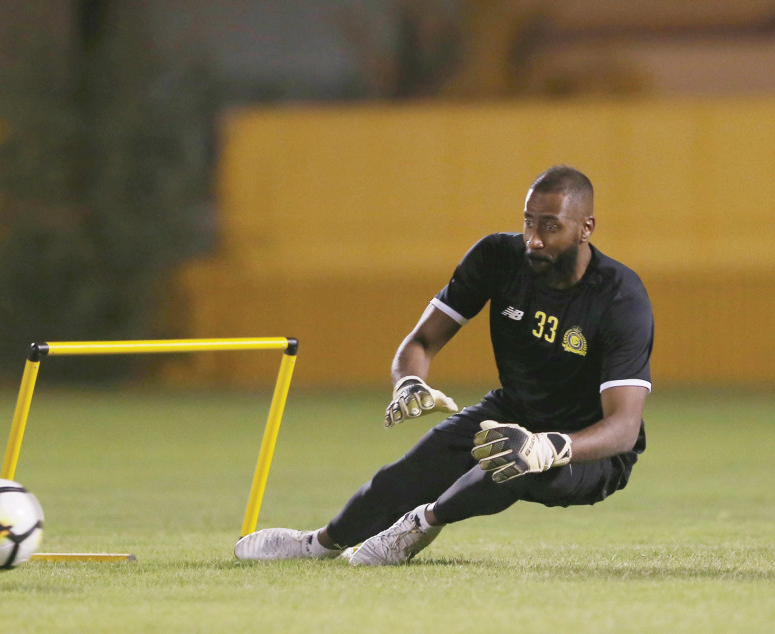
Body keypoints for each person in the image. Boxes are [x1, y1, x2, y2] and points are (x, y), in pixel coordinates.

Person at [234, 165, 654, 566]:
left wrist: (547, 446)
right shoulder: (497, 258)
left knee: (516, 463)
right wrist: (410, 382)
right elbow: (421, 340)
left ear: (586, 229)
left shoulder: (621, 297)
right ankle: (316, 545)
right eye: (529, 222)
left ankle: (416, 528)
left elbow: (623, 428)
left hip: (588, 450)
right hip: (511, 412)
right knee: (411, 470)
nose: (534, 239)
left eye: (550, 225)